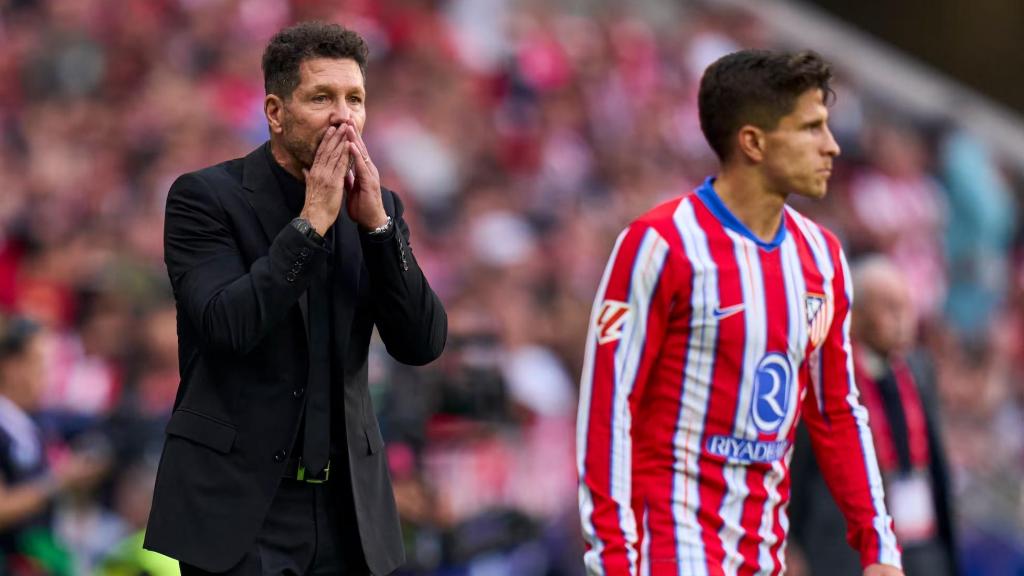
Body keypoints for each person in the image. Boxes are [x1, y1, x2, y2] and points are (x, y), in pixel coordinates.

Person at [576, 49, 903, 575]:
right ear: (753, 142)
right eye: (812, 128)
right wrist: (612, 561)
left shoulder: (822, 259)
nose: (833, 146)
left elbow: (837, 410)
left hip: (762, 553)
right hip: (668, 550)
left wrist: (879, 547)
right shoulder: (661, 245)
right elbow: (609, 407)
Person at [143, 22, 447, 575]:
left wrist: (379, 229)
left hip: (347, 509)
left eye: (355, 98)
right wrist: (311, 224)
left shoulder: (376, 209)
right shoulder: (205, 199)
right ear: (276, 112)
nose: (343, 116)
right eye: (321, 97)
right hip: (240, 508)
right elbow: (227, 325)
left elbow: (422, 343)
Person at [789, 255, 958, 576]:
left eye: (906, 307)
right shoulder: (829, 371)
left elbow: (935, 461)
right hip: (843, 550)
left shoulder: (918, 369)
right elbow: (803, 461)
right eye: (889, 308)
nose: (902, 319)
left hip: (921, 541)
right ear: (858, 315)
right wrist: (791, 538)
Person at [0, 315, 108, 572]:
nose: (50, 375)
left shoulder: (33, 424)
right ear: (12, 366)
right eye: (42, 364)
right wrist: (60, 481)